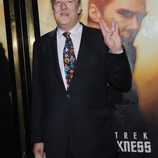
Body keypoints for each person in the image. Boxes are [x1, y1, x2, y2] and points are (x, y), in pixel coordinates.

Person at [31, 0, 132, 158]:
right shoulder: (40, 45)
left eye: (69, 1)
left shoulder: (101, 39)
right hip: (56, 141)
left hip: (95, 140)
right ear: (53, 8)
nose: (63, 6)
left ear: (79, 8)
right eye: (58, 2)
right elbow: (38, 96)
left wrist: (116, 50)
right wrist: (37, 138)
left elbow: (123, 84)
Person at [88, 0, 147, 128]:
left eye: (140, 17)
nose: (135, 26)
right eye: (125, 14)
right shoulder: (74, 54)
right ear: (94, 12)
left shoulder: (126, 52)